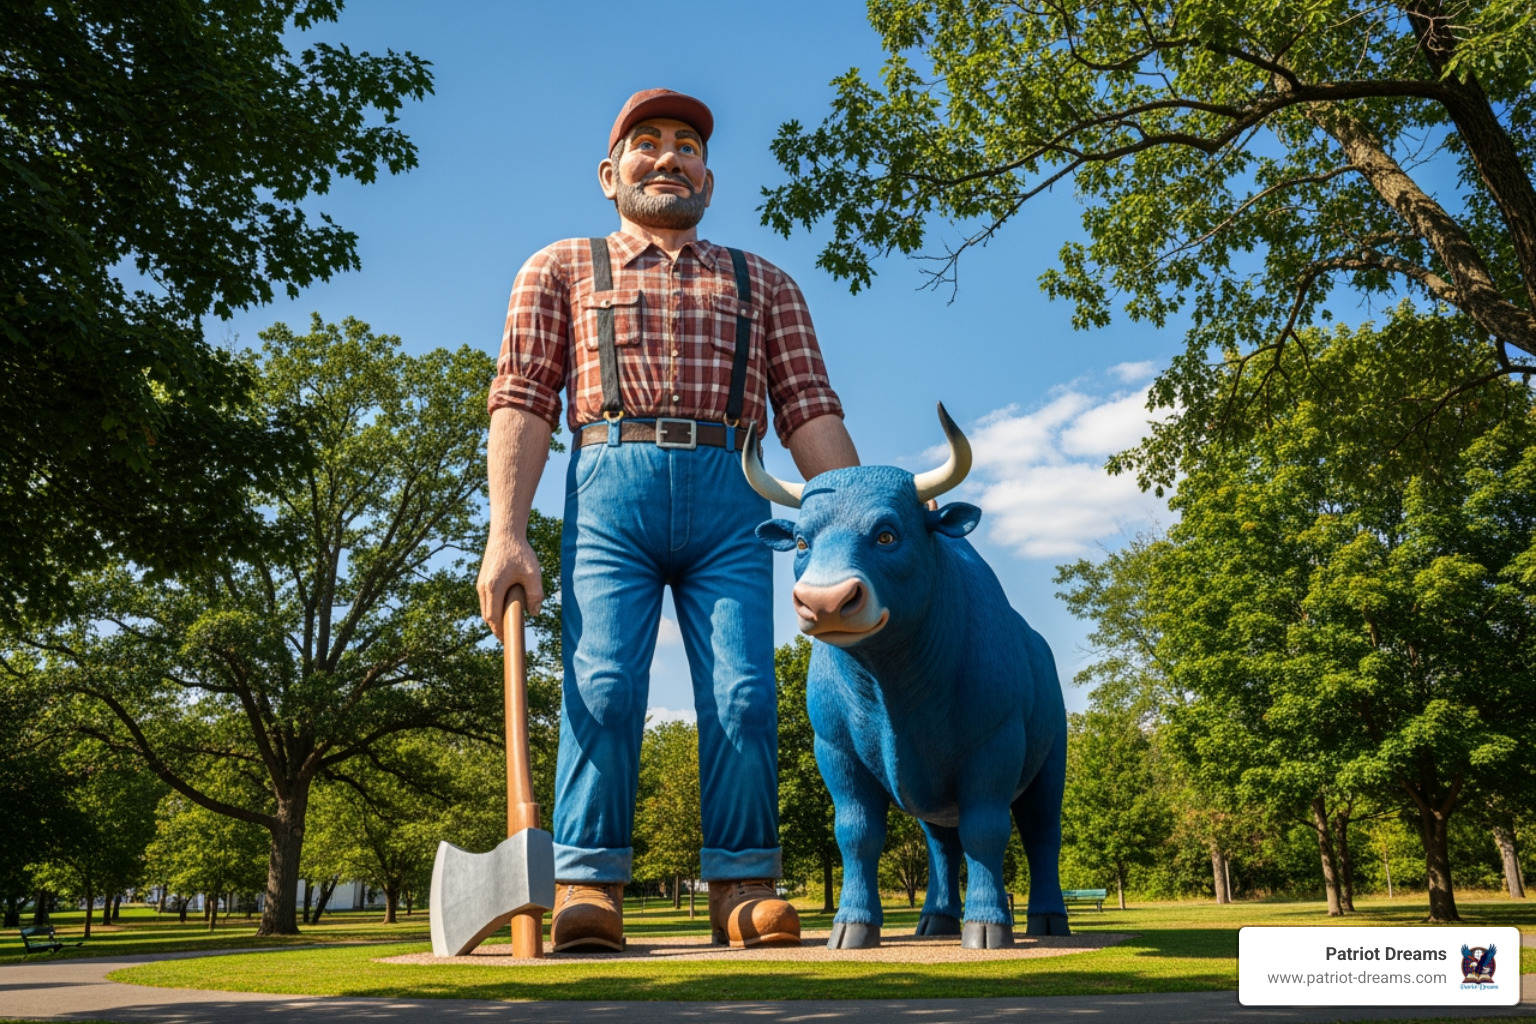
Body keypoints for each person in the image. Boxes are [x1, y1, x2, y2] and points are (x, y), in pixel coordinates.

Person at [477, 89, 859, 952]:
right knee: (604, 684)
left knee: (745, 692)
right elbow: (523, 398)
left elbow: (807, 408)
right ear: (609, 174)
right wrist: (507, 532)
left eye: (687, 145)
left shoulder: (765, 283)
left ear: (708, 180)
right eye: (646, 142)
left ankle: (744, 881)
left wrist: (863, 516)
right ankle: (588, 881)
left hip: (734, 488)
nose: (668, 157)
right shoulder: (559, 267)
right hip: (609, 483)